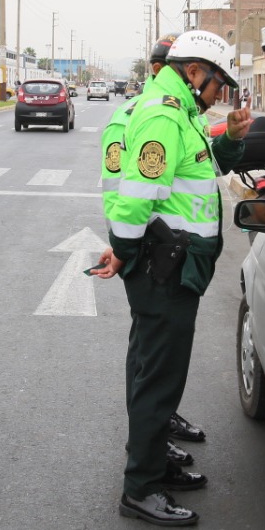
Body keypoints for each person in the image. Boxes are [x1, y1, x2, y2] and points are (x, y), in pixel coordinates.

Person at [92, 30, 254, 526]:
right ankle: (140, 489)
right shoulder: (164, 115)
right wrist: (124, 252)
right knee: (159, 380)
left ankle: (154, 463)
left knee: (157, 373)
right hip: (164, 267)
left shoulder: (182, 111)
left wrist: (231, 139)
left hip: (175, 266)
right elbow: (134, 199)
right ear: (194, 71)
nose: (219, 95)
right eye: (218, 84)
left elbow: (199, 171)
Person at [100, 35, 208, 469]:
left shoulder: (177, 112)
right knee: (151, 357)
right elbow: (122, 191)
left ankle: (158, 425)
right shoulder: (140, 115)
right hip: (149, 250)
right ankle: (148, 442)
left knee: (153, 354)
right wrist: (123, 248)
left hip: (158, 247)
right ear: (165, 69)